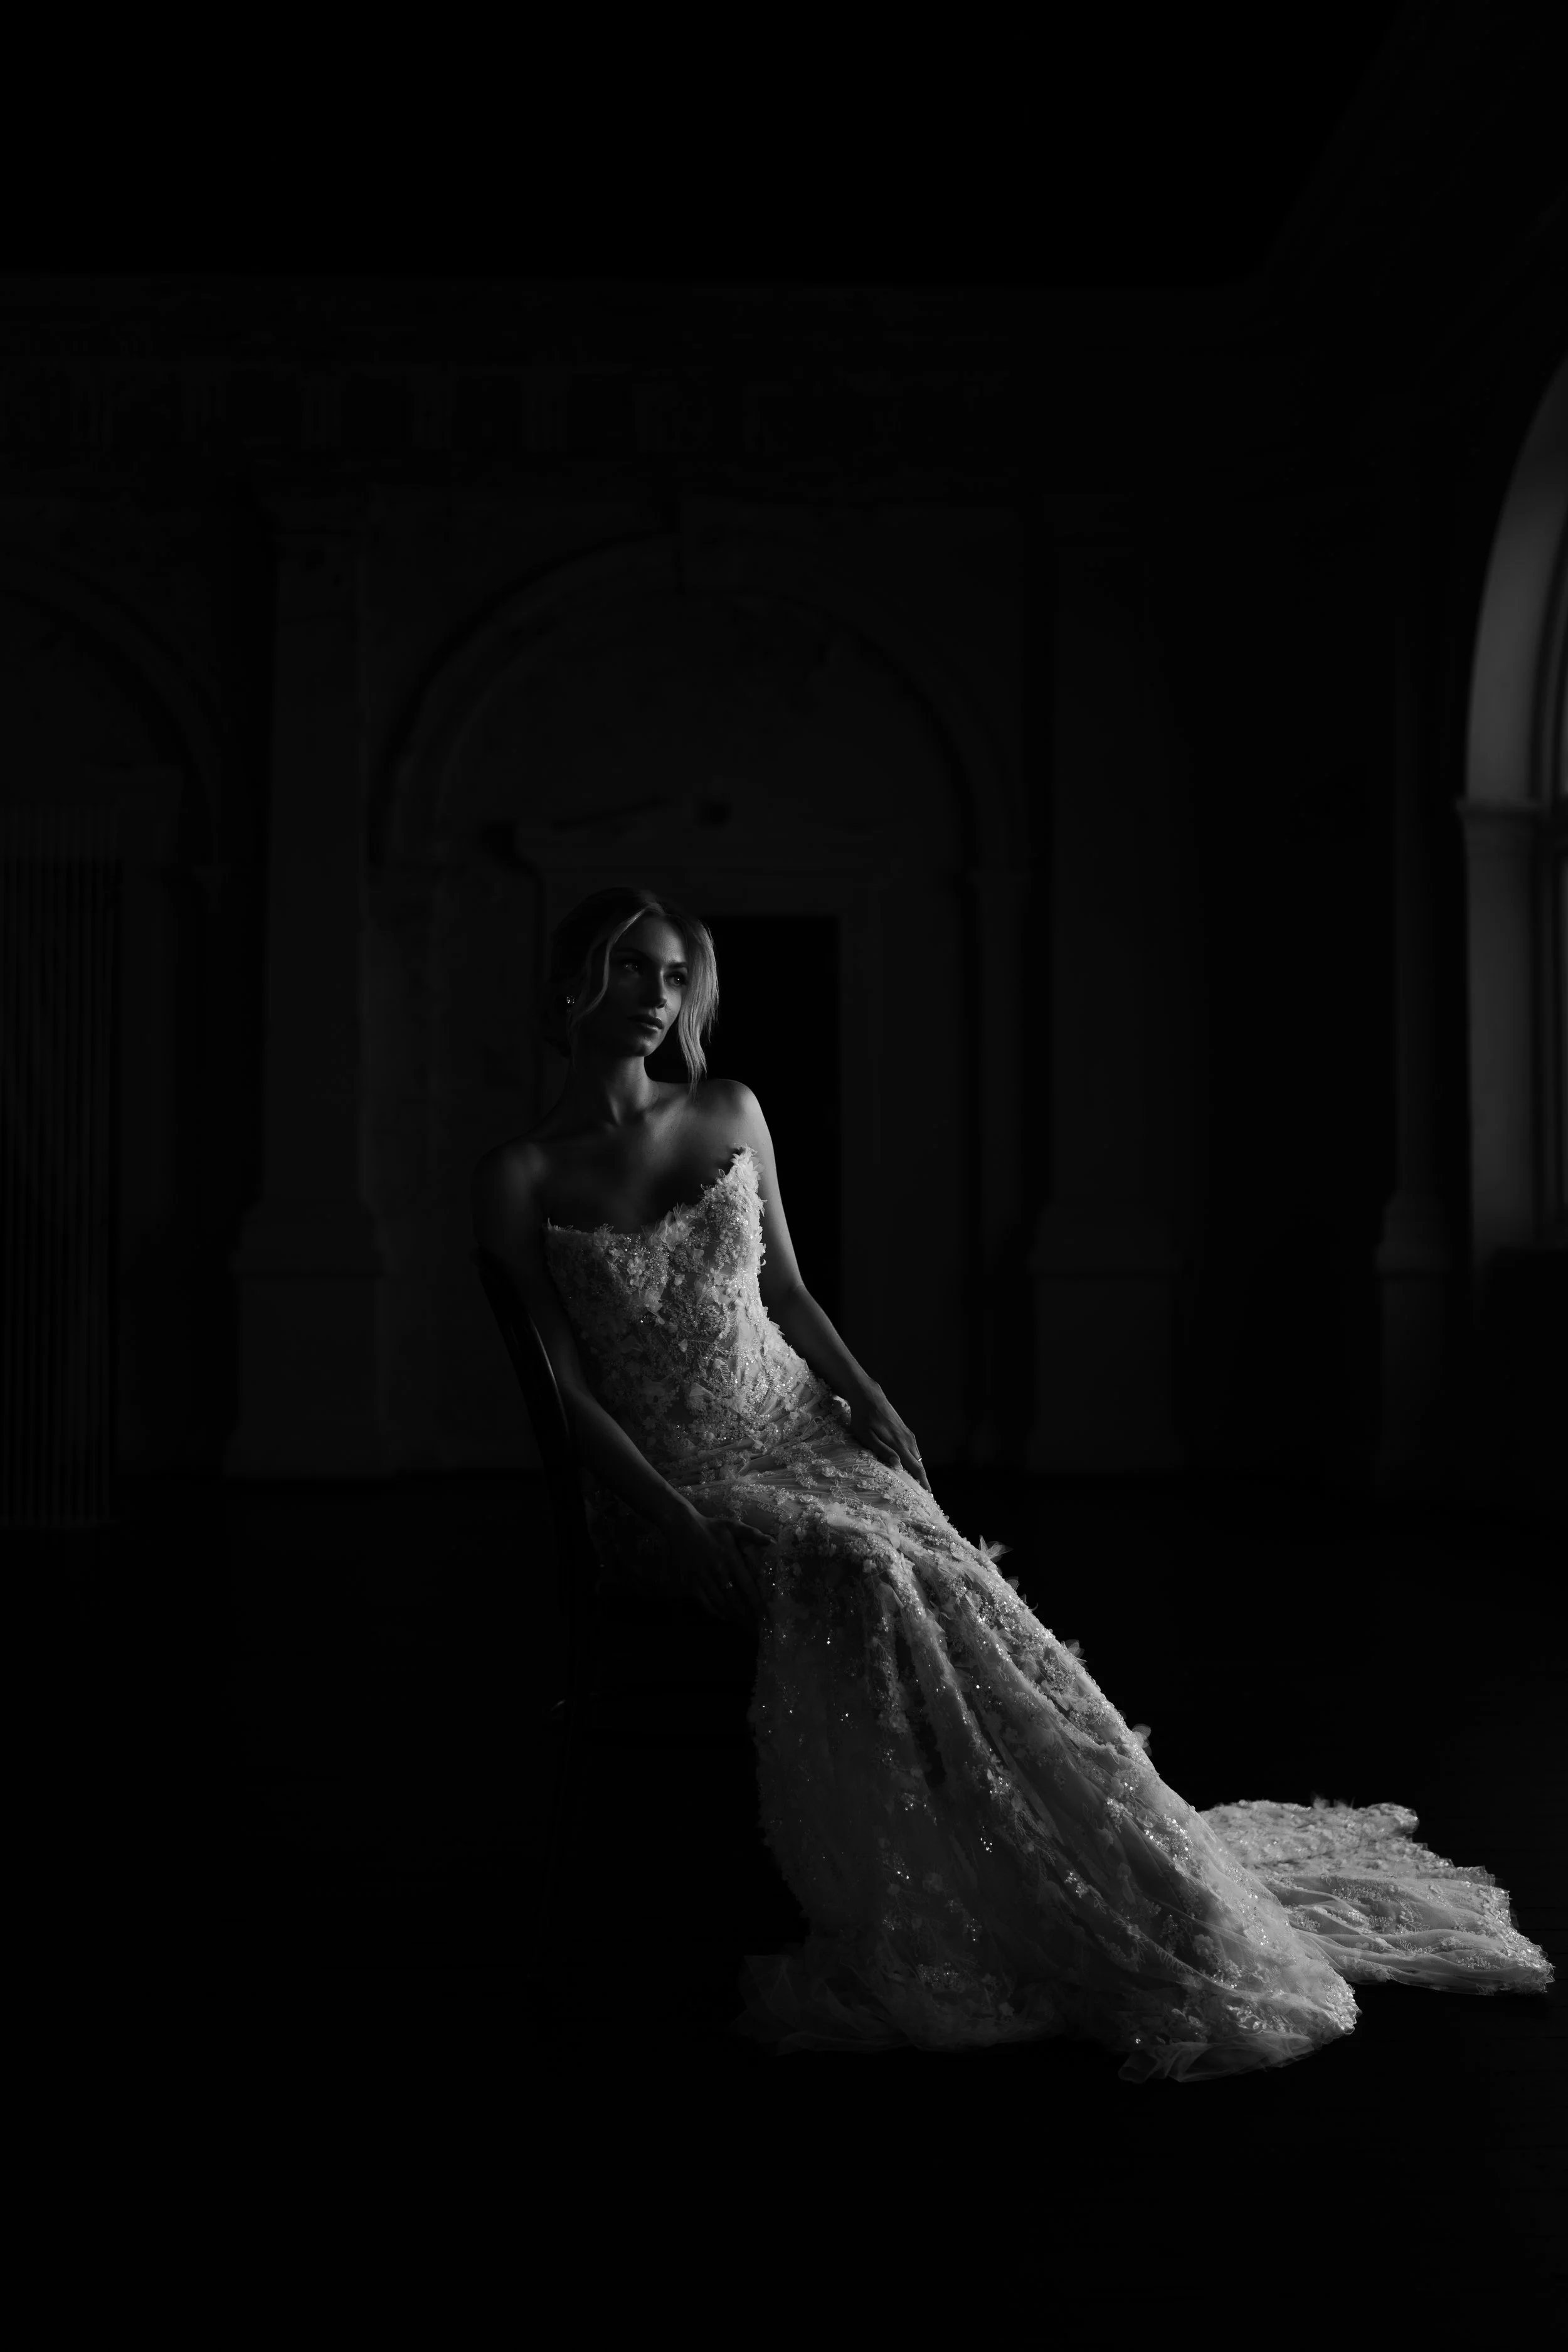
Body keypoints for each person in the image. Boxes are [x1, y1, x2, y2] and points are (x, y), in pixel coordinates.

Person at [470, 885, 1554, 2074]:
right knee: (871, 1565)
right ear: (575, 977)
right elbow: (566, 1392)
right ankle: (930, 1888)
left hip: (798, 1429)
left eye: (673, 977)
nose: (653, 998)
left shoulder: (728, 1107)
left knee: (944, 1567)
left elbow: (784, 1291)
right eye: (630, 969)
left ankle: (1113, 1859)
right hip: (669, 1480)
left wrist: (868, 1398)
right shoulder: (524, 1171)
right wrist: (670, 1513)